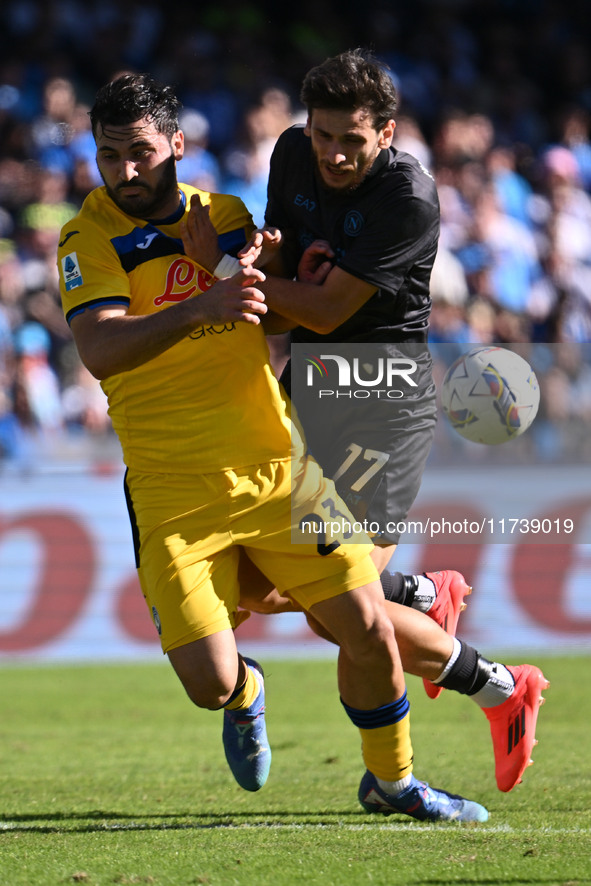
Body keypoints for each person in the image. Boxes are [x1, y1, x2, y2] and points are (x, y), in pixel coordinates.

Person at [57, 71, 488, 823]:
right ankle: (248, 691)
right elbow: (100, 348)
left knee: (360, 631)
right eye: (108, 156)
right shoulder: (86, 236)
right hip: (171, 488)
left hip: (276, 469)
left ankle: (395, 782)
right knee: (209, 683)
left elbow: (275, 318)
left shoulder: (224, 218)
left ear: (178, 147)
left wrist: (285, 274)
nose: (125, 171)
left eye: (140, 153)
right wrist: (206, 304)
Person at [229, 49, 548, 794]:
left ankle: (501, 688)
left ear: (387, 133)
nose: (334, 155)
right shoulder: (290, 154)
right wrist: (271, 274)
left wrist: (246, 289)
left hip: (379, 406)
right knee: (260, 589)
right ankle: (423, 603)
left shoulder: (408, 196)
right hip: (306, 389)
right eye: (322, 137)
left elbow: (322, 304)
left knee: (334, 612)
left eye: (352, 140)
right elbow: (283, 267)